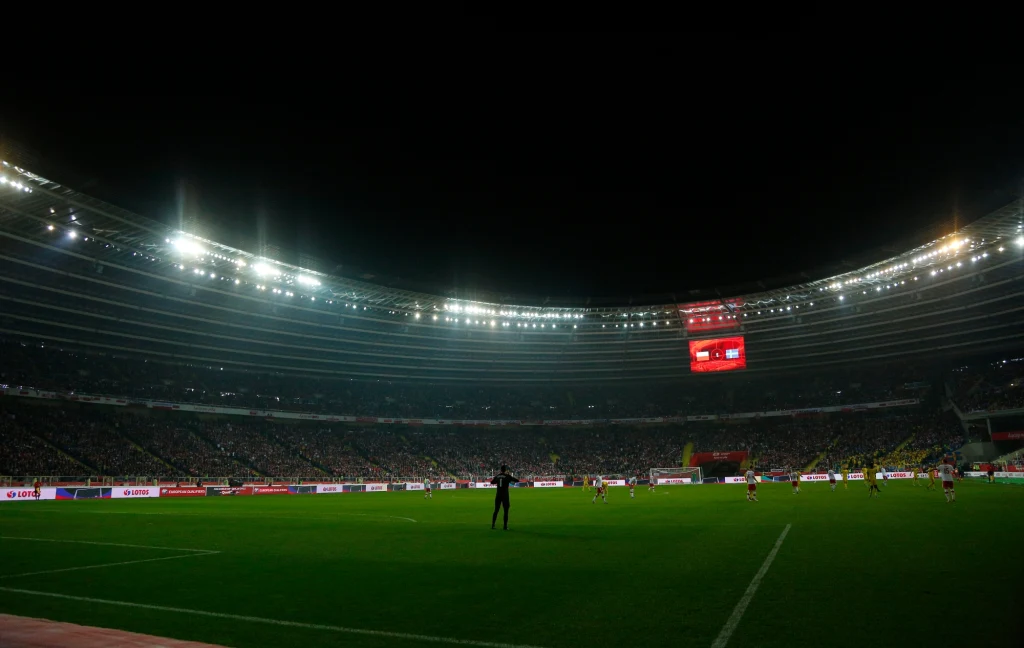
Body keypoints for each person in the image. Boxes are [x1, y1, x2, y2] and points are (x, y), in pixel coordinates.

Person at [491, 465, 518, 530]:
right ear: (505, 470)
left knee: (496, 510)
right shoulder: (507, 476)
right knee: (506, 511)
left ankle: (493, 525)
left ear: (501, 470)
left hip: (498, 495)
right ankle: (505, 526)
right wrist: (509, 478)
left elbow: (492, 482)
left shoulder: (497, 476)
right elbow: (517, 480)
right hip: (505, 496)